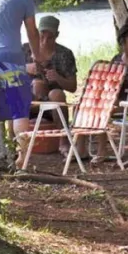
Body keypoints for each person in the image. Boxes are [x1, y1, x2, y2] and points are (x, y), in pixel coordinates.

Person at [79, 18, 128, 163]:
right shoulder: (116, 59)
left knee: (104, 110)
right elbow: (110, 81)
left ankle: (102, 150)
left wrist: (123, 78)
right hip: (118, 100)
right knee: (87, 107)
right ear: (123, 42)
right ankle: (81, 148)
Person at [0, 0, 48, 153]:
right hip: (12, 57)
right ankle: (22, 158)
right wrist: (37, 58)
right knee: (19, 107)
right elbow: (32, 31)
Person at [23, 15, 78, 156]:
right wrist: (25, 68)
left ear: (57, 36)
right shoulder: (25, 50)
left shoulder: (64, 54)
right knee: (37, 84)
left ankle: (63, 140)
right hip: (30, 101)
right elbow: (7, 71)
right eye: (42, 36)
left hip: (53, 105)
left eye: (50, 37)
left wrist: (58, 78)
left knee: (56, 93)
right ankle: (17, 142)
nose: (45, 41)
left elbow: (73, 87)